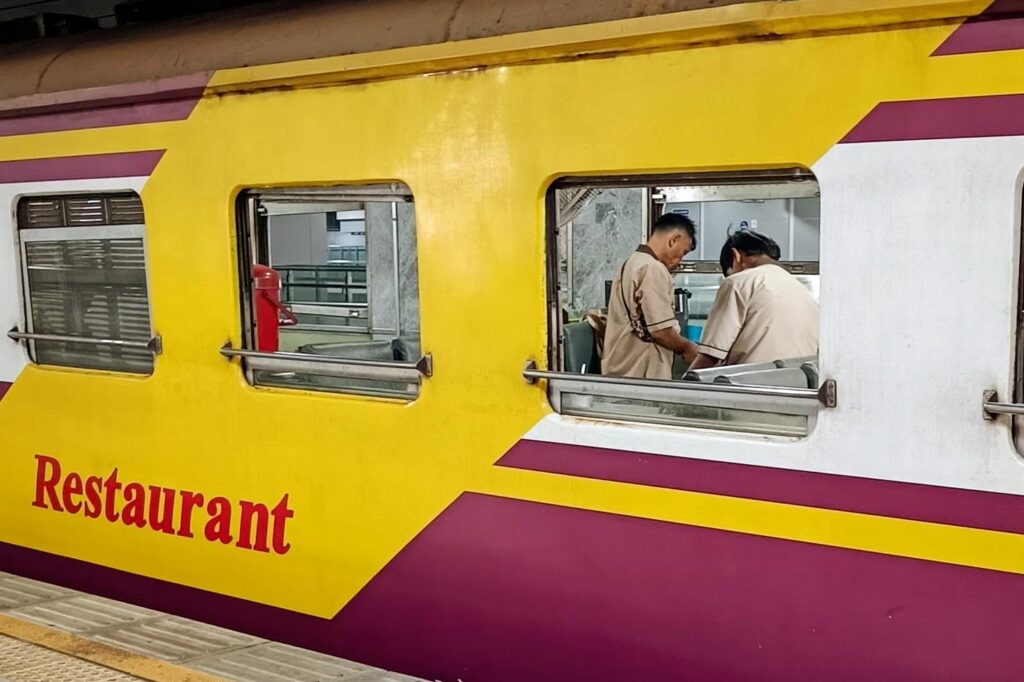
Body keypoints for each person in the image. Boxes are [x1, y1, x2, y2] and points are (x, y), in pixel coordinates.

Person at [689, 230, 818, 370]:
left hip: (750, 386)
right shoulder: (803, 290)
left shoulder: (737, 282)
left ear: (736, 256)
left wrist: (684, 387)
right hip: (797, 385)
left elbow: (711, 357)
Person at [602, 213, 699, 379]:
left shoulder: (632, 261)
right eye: (682, 253)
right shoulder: (653, 268)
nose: (680, 261)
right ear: (673, 239)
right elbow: (661, 331)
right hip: (641, 370)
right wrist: (688, 348)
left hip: (622, 366)